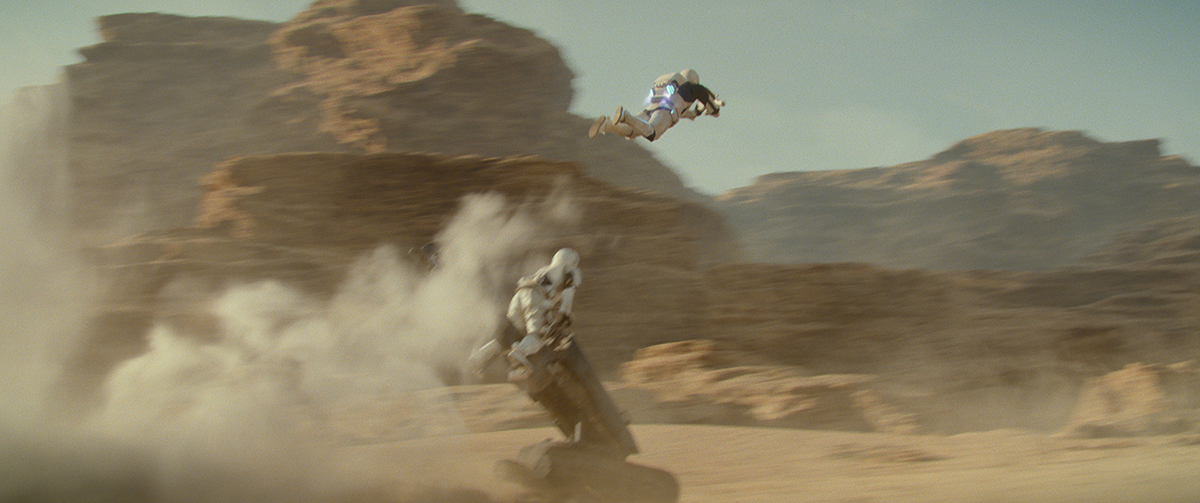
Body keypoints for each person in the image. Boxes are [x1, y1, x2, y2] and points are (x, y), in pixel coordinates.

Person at [469, 248, 581, 373]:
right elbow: (568, 293)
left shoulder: (544, 270)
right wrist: (564, 313)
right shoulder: (570, 272)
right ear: (572, 261)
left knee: (513, 333)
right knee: (538, 335)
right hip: (536, 295)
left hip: (520, 294)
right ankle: (520, 353)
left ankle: (479, 357)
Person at [588, 68, 724, 141]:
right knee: (652, 132)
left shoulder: (679, 92)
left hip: (651, 108)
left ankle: (607, 125)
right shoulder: (693, 89)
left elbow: (686, 113)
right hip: (665, 112)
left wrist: (696, 112)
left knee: (632, 131)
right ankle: (626, 116)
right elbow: (707, 101)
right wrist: (713, 108)